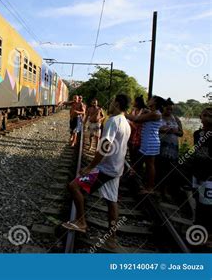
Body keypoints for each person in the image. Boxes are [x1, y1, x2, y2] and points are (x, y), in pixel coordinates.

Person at [62, 94, 131, 249]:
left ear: (118, 104)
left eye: (113, 101)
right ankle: (111, 237)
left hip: (104, 169)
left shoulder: (113, 121)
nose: (111, 104)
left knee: (74, 186)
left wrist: (90, 167)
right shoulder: (126, 123)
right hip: (116, 169)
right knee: (112, 201)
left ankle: (81, 222)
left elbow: (105, 147)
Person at [126, 96, 165, 194]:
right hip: (148, 141)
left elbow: (136, 119)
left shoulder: (155, 114)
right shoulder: (153, 112)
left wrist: (124, 114)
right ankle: (143, 184)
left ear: (155, 102)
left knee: (149, 165)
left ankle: (150, 188)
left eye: (151, 99)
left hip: (150, 142)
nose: (148, 101)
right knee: (146, 164)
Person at [190, 107, 212, 241]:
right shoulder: (197, 133)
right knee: (197, 200)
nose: (207, 118)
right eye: (204, 115)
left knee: (208, 204)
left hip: (209, 175)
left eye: (209, 115)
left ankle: (208, 233)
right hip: (197, 171)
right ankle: (198, 226)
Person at [157, 98, 183, 200]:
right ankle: (158, 190)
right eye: (167, 108)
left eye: (171, 109)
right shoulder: (158, 118)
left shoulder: (176, 119)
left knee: (169, 170)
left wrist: (174, 130)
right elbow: (155, 129)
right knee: (159, 168)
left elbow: (181, 133)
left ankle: (165, 191)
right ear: (163, 108)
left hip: (172, 150)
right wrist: (163, 129)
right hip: (160, 147)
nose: (169, 110)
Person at [127, 96, 148, 171]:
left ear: (138, 102)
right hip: (131, 136)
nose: (133, 102)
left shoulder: (144, 111)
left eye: (134, 101)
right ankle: (133, 173)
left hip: (139, 138)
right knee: (132, 156)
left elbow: (138, 122)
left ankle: (137, 174)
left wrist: (131, 122)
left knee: (138, 158)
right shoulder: (133, 110)